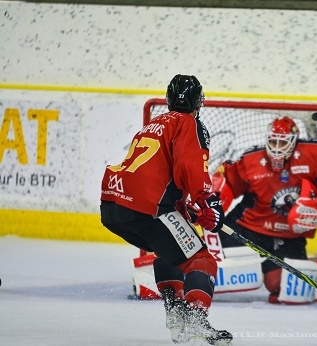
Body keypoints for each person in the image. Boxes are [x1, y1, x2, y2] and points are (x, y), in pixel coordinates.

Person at [100, 74, 232, 345]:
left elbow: (158, 174)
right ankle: (195, 319)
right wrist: (208, 200)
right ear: (198, 101)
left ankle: (177, 313)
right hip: (147, 207)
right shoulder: (190, 123)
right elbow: (189, 166)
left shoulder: (153, 124)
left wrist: (186, 208)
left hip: (114, 205)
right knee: (201, 260)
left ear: (170, 99)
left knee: (170, 251)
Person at [212, 116, 317, 303]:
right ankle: (169, 280)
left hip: (288, 236)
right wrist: (214, 201)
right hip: (246, 228)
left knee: (279, 287)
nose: (277, 148)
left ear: (294, 141)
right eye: (273, 141)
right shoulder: (252, 159)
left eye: (283, 142)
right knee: (208, 268)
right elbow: (226, 181)